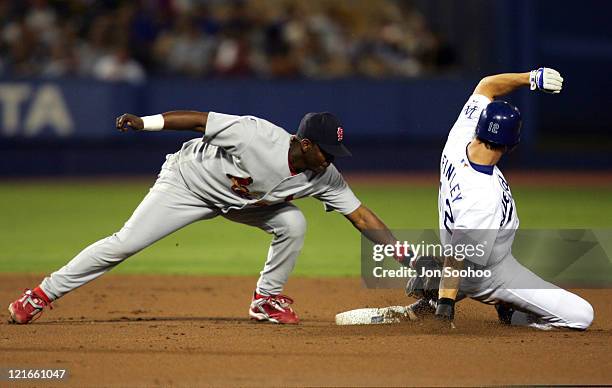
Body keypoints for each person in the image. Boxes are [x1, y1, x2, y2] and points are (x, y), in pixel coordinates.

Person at [8, 110, 403, 325]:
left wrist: (408, 256)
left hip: (242, 203)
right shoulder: (254, 135)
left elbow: (363, 218)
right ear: (304, 144)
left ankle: (265, 301)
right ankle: (40, 294)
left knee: (293, 223)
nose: (332, 159)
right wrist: (145, 124)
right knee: (124, 243)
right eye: (327, 152)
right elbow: (199, 120)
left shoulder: (324, 176)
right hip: (186, 184)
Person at [406, 67, 594, 330]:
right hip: (488, 273)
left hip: (472, 255)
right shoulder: (482, 196)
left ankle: (437, 292)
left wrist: (531, 78)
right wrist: (446, 308)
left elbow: (486, 86)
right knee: (581, 316)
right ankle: (506, 311)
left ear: (480, 128)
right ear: (510, 145)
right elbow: (460, 255)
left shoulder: (459, 138)